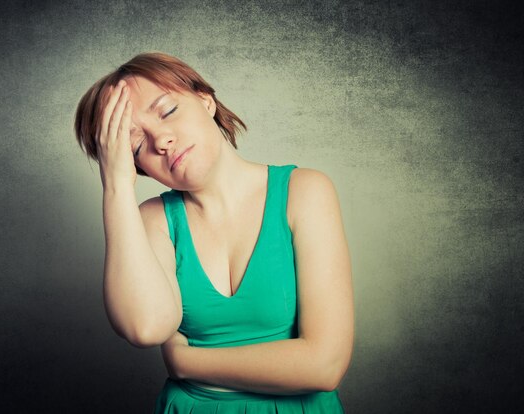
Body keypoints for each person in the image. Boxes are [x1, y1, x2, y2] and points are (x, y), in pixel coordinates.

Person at [74, 52, 354, 413]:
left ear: (205, 101)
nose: (161, 141)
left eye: (167, 111)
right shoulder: (153, 220)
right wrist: (115, 187)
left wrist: (185, 363)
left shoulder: (305, 191)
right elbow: (145, 328)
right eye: (136, 146)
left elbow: (324, 366)